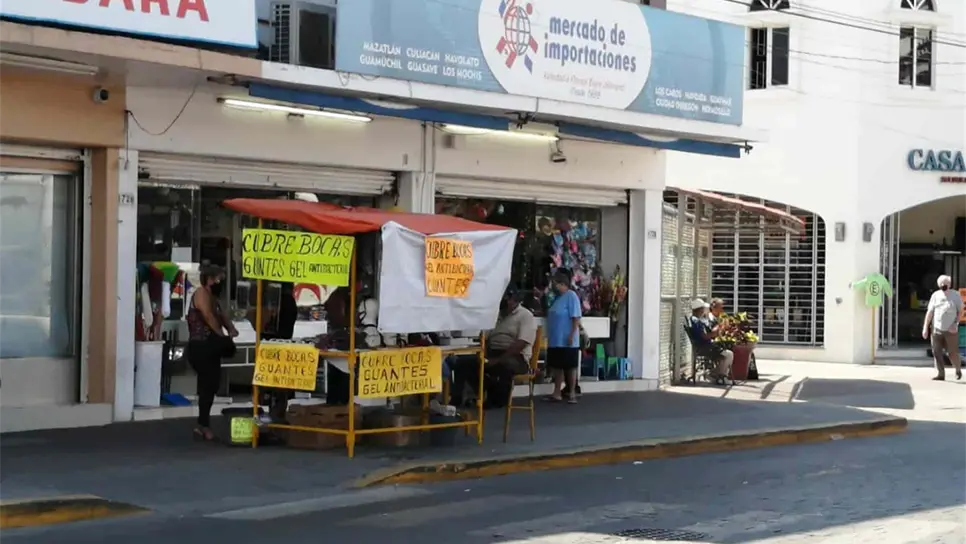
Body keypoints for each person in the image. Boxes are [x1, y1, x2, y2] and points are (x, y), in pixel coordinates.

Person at [449, 289, 537, 409]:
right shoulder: (496, 315)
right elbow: (484, 337)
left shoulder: (525, 315)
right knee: (462, 362)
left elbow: (521, 343)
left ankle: (497, 398)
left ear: (515, 300)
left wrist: (497, 359)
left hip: (516, 355)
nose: (505, 301)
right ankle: (457, 399)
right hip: (492, 351)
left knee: (503, 365)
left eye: (508, 298)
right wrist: (484, 353)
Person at [186, 265, 238, 441]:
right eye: (218, 279)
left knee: (211, 384)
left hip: (210, 346)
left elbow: (221, 316)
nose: (220, 283)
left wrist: (230, 328)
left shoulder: (214, 298)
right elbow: (208, 316)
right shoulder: (201, 294)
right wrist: (222, 336)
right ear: (209, 279)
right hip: (200, 345)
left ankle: (203, 424)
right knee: (208, 384)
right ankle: (203, 425)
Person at [545, 271, 582, 404]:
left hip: (567, 339)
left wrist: (571, 334)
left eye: (556, 284)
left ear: (563, 284)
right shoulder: (557, 298)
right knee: (557, 366)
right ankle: (557, 392)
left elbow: (576, 317)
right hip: (556, 339)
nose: (554, 286)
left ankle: (572, 392)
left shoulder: (571, 296)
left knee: (570, 366)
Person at [922, 275, 963, 381]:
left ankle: (958, 369)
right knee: (936, 352)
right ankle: (941, 374)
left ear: (949, 284)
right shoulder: (935, 295)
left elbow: (960, 311)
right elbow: (930, 312)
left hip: (951, 330)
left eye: (945, 284)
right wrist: (925, 327)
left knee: (952, 353)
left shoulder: (956, 295)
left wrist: (956, 323)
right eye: (941, 284)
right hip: (937, 329)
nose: (944, 286)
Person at [689, 298, 733, 385]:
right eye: (703, 308)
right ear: (700, 309)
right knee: (729, 354)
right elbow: (705, 336)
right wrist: (716, 332)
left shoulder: (696, 319)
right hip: (705, 348)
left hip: (705, 346)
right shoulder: (696, 321)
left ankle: (716, 375)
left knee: (726, 353)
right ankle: (720, 376)